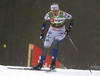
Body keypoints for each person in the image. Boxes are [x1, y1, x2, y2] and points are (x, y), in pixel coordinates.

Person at [32, 3, 74, 70]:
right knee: (46, 47)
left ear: (58, 10)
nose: (54, 12)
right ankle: (40, 64)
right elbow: (44, 22)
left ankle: (53, 63)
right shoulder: (49, 14)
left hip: (61, 32)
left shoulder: (63, 14)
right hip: (51, 31)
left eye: (56, 11)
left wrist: (68, 29)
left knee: (55, 42)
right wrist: (42, 33)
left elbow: (72, 19)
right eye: (53, 11)